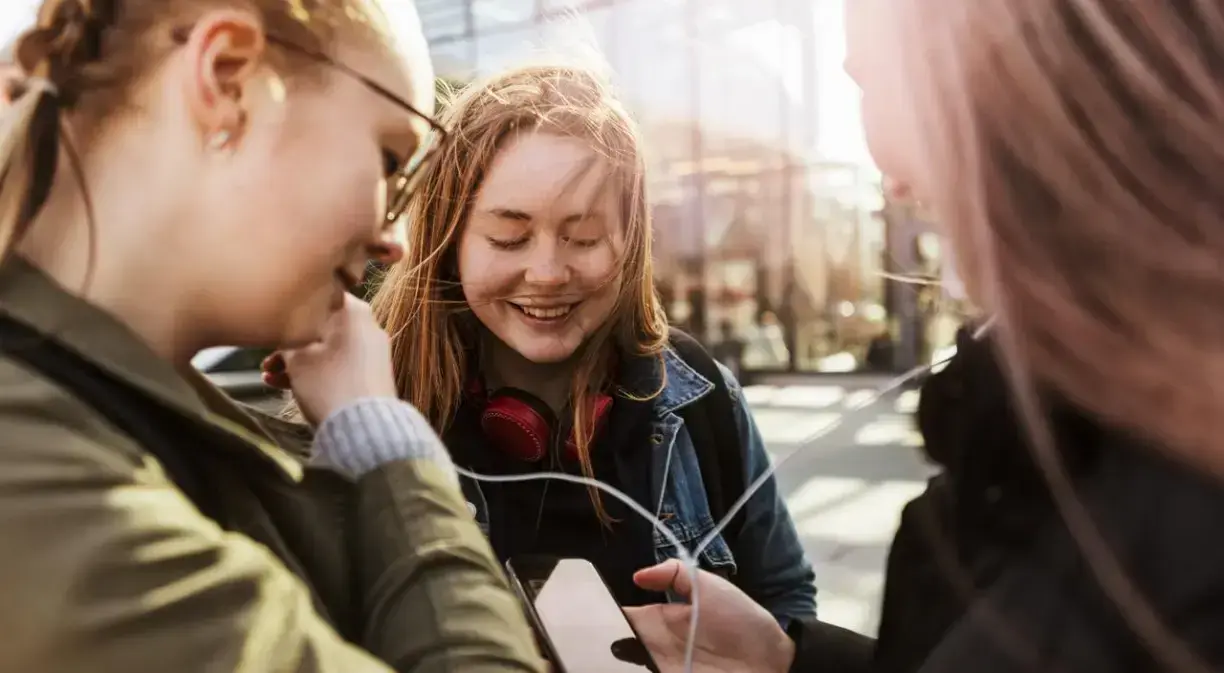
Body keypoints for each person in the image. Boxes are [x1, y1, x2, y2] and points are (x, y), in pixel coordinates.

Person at [624, 0, 1224, 671]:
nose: (887, 171)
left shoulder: (1157, 514)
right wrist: (790, 659)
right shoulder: (1057, 439)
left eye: (873, 78)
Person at [0, 1, 541, 671]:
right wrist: (384, 441)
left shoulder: (113, 418)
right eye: (389, 160)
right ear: (228, 78)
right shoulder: (43, 489)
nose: (395, 241)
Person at [361, 64, 816, 623]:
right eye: (509, 238)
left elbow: (785, 598)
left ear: (632, 242)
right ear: (450, 243)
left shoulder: (701, 394)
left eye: (584, 237)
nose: (548, 273)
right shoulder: (367, 410)